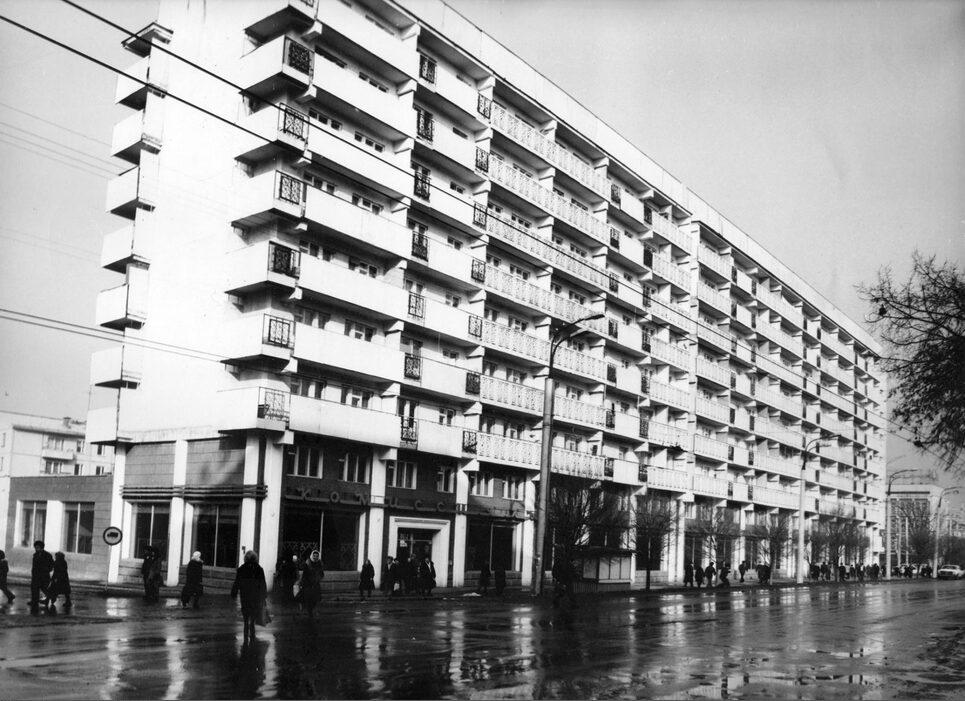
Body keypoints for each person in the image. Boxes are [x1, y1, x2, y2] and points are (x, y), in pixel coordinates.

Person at [231, 550, 267, 642]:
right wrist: (264, 595)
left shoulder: (241, 569)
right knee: (254, 612)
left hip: (245, 595)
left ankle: (246, 630)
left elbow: (237, 582)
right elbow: (262, 583)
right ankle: (252, 629)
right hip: (255, 595)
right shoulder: (259, 569)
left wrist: (234, 592)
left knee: (246, 614)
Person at [29, 540, 54, 611]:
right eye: (35, 547)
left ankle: (51, 598)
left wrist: (46, 570)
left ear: (41, 547)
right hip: (36, 575)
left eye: (37, 547)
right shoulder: (35, 555)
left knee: (44, 588)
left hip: (44, 575)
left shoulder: (47, 555)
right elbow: (34, 565)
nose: (36, 549)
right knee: (34, 588)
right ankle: (34, 601)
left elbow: (51, 565)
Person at [300, 550, 324, 617]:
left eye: (317, 556)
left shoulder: (319, 564)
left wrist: (319, 577)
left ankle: (311, 610)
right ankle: (309, 612)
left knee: (315, 599)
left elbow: (322, 574)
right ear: (312, 556)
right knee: (309, 599)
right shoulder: (308, 563)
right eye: (314, 556)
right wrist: (303, 583)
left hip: (315, 584)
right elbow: (304, 574)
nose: (315, 557)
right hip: (308, 584)